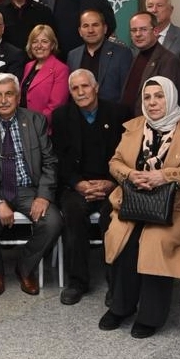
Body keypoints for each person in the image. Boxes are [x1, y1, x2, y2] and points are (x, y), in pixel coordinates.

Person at [99, 76, 180, 337]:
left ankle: (151, 316)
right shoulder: (134, 127)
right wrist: (130, 174)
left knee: (154, 240)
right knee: (124, 237)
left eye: (159, 96)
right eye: (147, 97)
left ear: (171, 98)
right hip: (137, 204)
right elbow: (115, 162)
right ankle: (121, 307)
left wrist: (166, 176)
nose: (152, 102)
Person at [0, 73, 63, 296]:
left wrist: (43, 196)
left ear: (18, 96)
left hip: (29, 189)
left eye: (9, 94)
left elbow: (50, 162)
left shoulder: (35, 121)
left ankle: (25, 267)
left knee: (53, 222)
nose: (3, 100)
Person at [51, 69, 125, 305]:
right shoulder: (61, 116)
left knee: (112, 217)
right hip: (77, 184)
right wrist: (78, 183)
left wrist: (111, 182)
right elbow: (58, 158)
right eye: (75, 88)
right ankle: (77, 282)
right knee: (73, 214)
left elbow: (127, 155)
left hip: (110, 183)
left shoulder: (118, 113)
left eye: (85, 86)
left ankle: (116, 283)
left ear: (96, 88)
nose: (81, 92)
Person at [120, 10, 180, 114]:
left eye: (143, 29)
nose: (138, 34)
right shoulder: (135, 57)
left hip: (151, 122)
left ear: (156, 31)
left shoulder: (168, 60)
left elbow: (169, 102)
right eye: (134, 30)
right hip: (130, 121)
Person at [67, 9, 133, 104]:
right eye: (85, 26)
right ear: (80, 31)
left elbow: (127, 91)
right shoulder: (73, 56)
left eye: (95, 25)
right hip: (80, 111)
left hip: (113, 111)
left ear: (105, 28)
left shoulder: (122, 54)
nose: (90, 30)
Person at [20, 24, 70, 123]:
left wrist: (36, 123)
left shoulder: (61, 69)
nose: (39, 46)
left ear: (52, 45)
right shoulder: (28, 66)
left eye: (44, 41)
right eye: (35, 41)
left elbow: (56, 105)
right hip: (23, 123)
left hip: (42, 126)